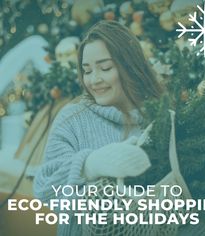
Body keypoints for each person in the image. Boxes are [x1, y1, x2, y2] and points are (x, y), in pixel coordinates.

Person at [33, 20, 162, 236]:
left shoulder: (158, 116)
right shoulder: (72, 119)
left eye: (105, 68)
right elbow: (46, 189)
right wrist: (88, 166)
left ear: (130, 66)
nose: (94, 80)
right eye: (87, 70)